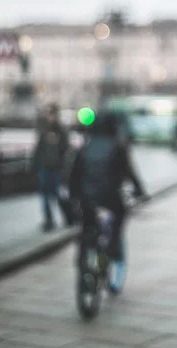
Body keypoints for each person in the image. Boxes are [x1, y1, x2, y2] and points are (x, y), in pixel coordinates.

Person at [69, 110, 145, 294]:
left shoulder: (84, 147)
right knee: (119, 217)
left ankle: (83, 252)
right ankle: (111, 249)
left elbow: (73, 176)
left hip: (87, 199)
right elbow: (129, 172)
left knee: (87, 226)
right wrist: (139, 190)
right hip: (110, 198)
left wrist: (75, 197)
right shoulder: (118, 147)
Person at [32, 103, 71, 231]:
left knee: (56, 193)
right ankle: (49, 220)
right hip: (44, 167)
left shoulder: (61, 130)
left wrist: (57, 142)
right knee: (45, 195)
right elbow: (39, 149)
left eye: (50, 113)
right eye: (47, 113)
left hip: (55, 168)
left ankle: (69, 216)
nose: (49, 116)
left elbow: (66, 148)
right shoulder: (43, 129)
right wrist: (35, 164)